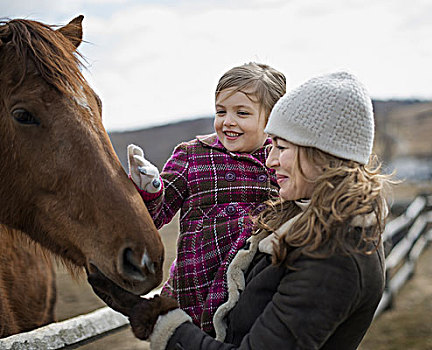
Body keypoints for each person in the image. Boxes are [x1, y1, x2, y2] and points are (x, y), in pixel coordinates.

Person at [89, 71, 391, 349]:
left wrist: (159, 322)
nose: (270, 161)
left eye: (282, 147)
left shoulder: (334, 256)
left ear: (321, 154)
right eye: (221, 111)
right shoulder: (304, 217)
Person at [126, 62, 286, 334]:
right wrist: (149, 189)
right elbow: (157, 213)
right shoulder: (193, 155)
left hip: (251, 294)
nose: (228, 121)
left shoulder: (280, 161)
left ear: (271, 119)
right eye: (221, 111)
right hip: (193, 289)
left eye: (242, 113)